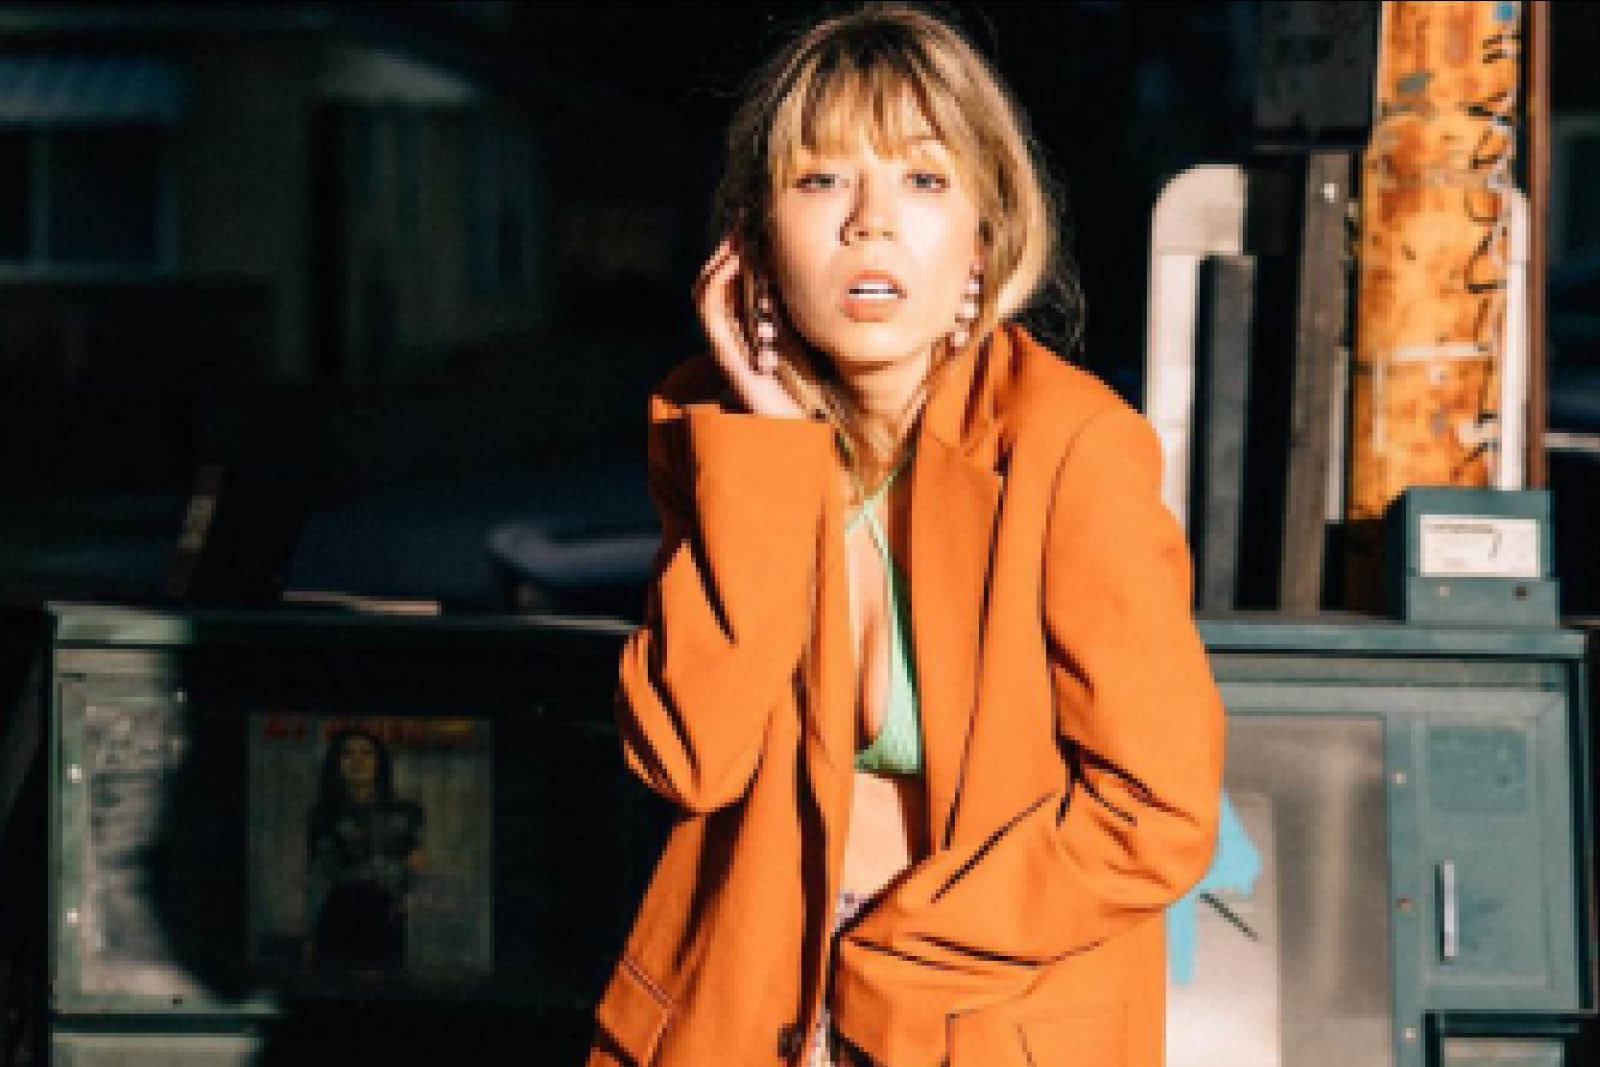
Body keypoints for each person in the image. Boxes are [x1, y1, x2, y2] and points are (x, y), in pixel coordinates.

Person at [588, 5, 1224, 1065]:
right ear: (755, 235)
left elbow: (1155, 812)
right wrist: (768, 450)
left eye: (924, 180)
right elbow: (685, 760)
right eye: (820, 179)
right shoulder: (713, 429)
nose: (869, 223)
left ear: (984, 233)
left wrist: (889, 955)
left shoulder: (1071, 447)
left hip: (981, 1006)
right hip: (746, 1008)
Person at [305, 727, 425, 974]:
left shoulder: (405, 812)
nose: (358, 761)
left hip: (384, 914)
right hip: (339, 913)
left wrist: (407, 897)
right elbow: (318, 875)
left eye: (367, 753)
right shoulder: (324, 815)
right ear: (337, 763)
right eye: (348, 754)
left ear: (379, 762)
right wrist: (310, 934)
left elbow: (417, 863)